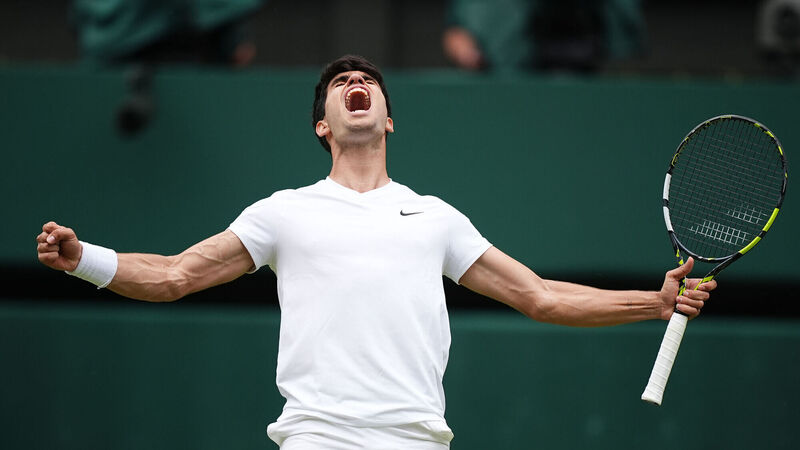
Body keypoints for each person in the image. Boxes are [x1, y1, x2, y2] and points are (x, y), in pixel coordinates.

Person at [36, 55, 715, 449]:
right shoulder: (282, 213)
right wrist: (84, 257)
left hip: (414, 439)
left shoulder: (437, 219)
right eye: (339, 83)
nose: (353, 81)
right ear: (323, 125)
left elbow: (539, 295)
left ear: (387, 117)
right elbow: (175, 275)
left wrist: (654, 303)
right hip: (317, 438)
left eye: (365, 79)